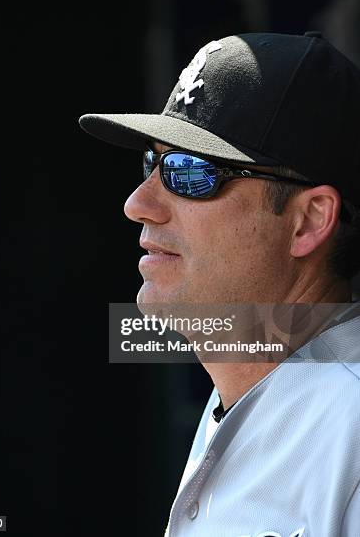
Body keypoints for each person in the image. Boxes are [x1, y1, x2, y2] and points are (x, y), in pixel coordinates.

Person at [79, 32, 360, 536]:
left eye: (191, 171)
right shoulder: (242, 390)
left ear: (308, 221)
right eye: (153, 163)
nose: (138, 203)